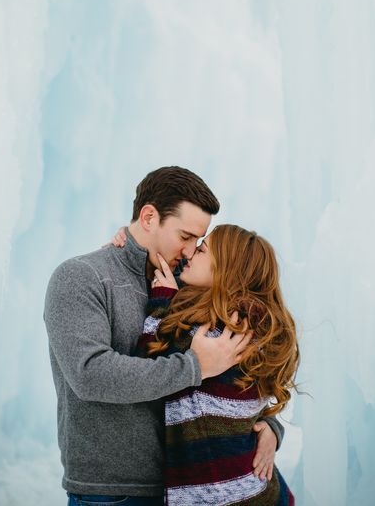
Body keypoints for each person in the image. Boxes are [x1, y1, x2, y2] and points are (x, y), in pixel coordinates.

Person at [45, 166, 283, 506]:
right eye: (184, 237)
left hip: (188, 490)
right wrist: (195, 366)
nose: (189, 251)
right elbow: (91, 376)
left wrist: (270, 428)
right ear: (148, 217)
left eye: (198, 243)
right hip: (114, 492)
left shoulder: (184, 285)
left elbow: (235, 376)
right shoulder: (81, 278)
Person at [135, 223, 298, 505]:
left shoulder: (209, 335)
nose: (191, 251)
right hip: (261, 491)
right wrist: (272, 427)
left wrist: (162, 303)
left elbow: (148, 366)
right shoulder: (258, 332)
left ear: (225, 269)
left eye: (203, 249)